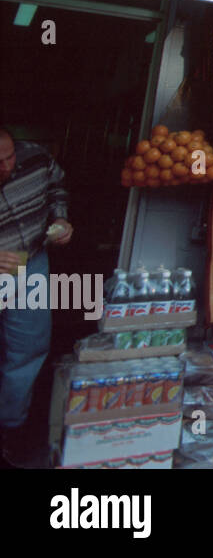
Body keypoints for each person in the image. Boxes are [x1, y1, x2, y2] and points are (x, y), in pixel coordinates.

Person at [0, 128, 72, 468]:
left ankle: (8, 433)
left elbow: (56, 186)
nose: (6, 166)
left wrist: (60, 218)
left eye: (9, 156)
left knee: (28, 349)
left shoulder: (36, 156)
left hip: (28, 262)